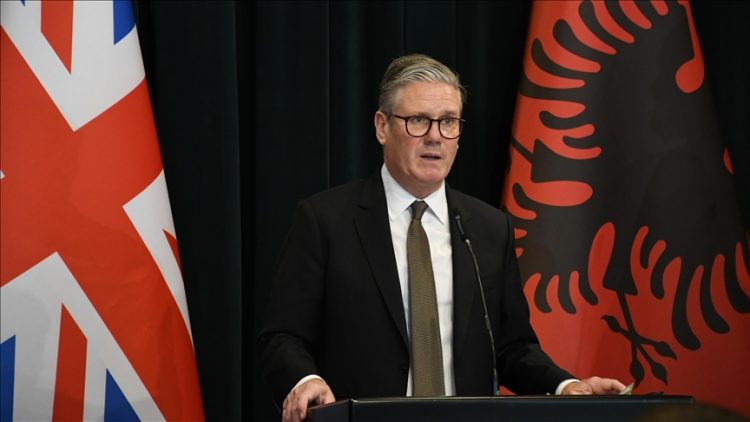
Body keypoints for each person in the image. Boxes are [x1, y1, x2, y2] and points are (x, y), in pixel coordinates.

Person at [258, 53, 626, 422]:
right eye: (418, 120)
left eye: (448, 121)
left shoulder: (488, 228)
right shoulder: (326, 220)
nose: (435, 136)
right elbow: (282, 337)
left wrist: (565, 386)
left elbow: (511, 348)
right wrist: (306, 380)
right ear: (382, 126)